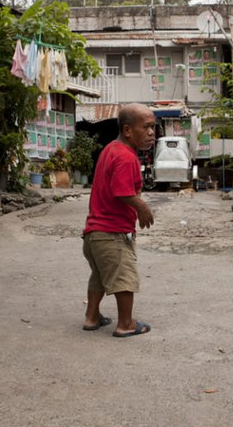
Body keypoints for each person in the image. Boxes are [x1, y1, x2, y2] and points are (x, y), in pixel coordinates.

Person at [81, 103, 155, 337]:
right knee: (125, 278)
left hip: (94, 235)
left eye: (154, 127)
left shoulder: (111, 149)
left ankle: (92, 317)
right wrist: (142, 207)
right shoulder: (126, 157)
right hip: (111, 234)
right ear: (127, 130)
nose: (152, 133)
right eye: (146, 127)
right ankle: (126, 324)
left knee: (100, 277)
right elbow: (121, 192)